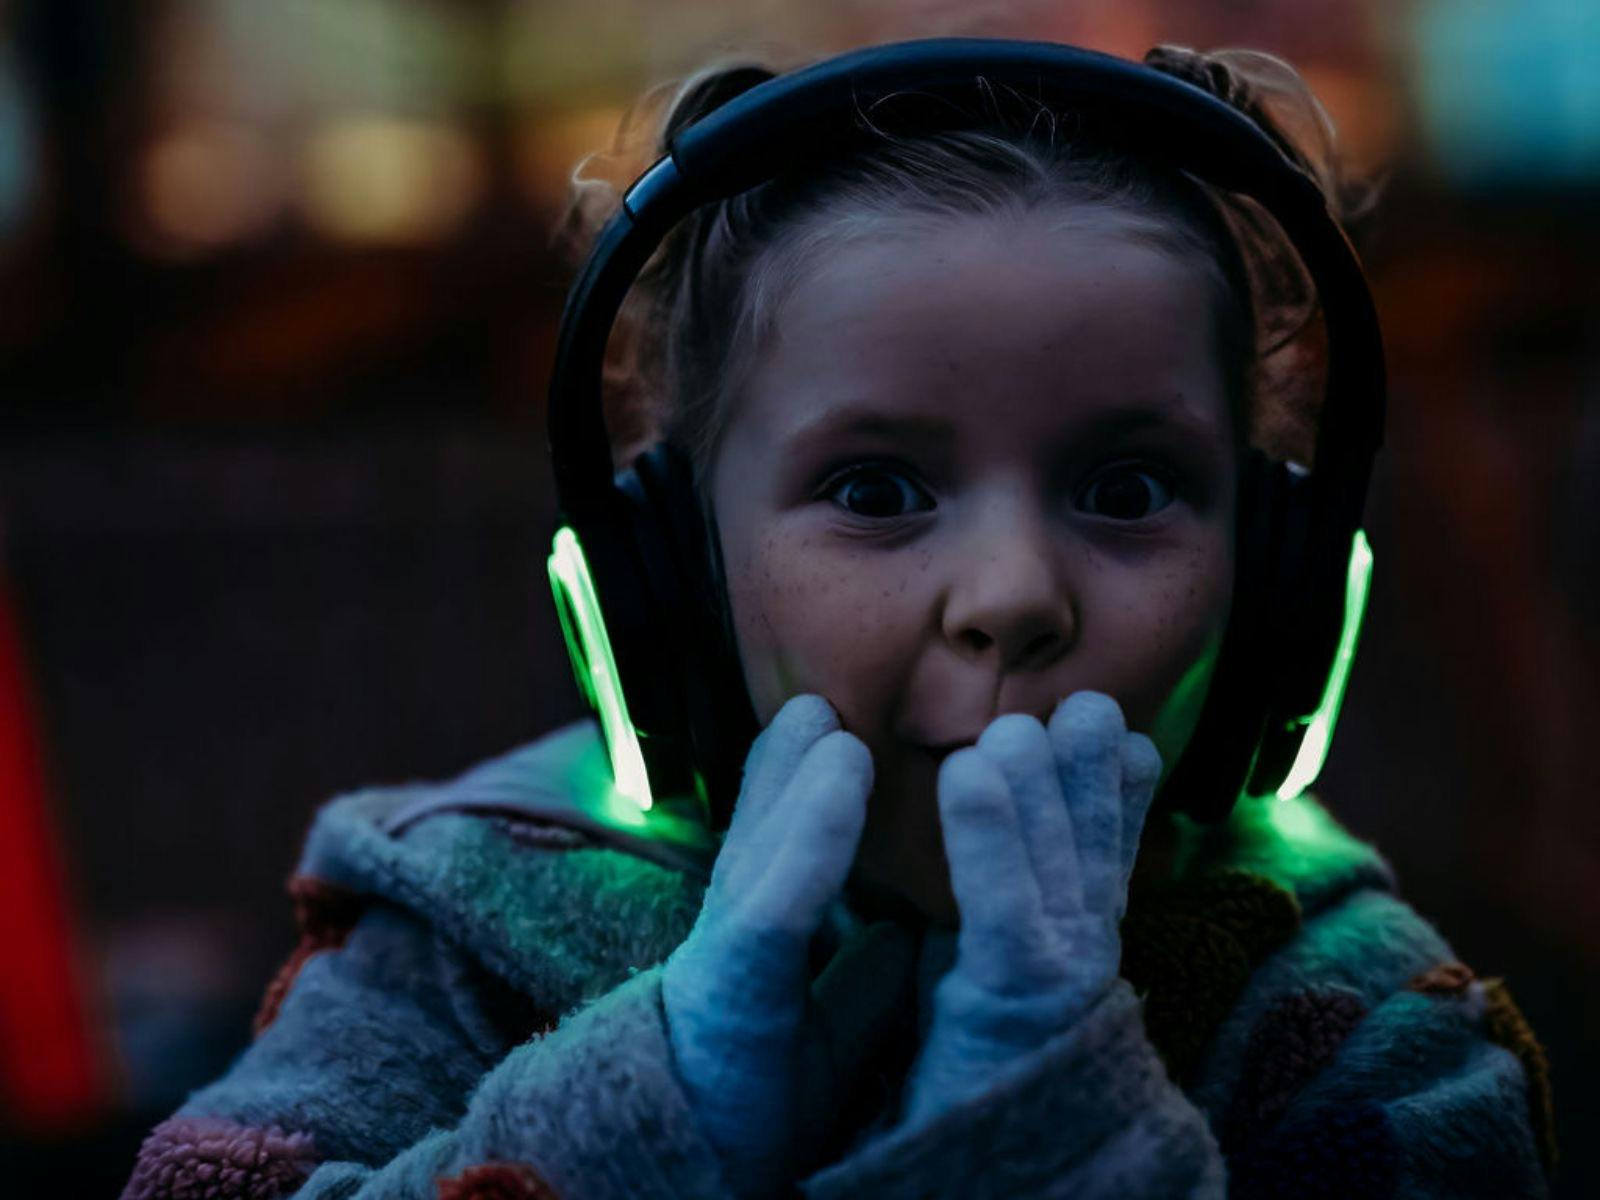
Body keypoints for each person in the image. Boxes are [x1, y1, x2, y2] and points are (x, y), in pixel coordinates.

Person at [121, 41, 1555, 1200]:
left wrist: (1042, 1095)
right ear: (669, 574)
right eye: (876, 488)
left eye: (1128, 487)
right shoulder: (462, 928)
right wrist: (653, 1101)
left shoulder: (1371, 1023)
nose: (1010, 597)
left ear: (1285, 577)